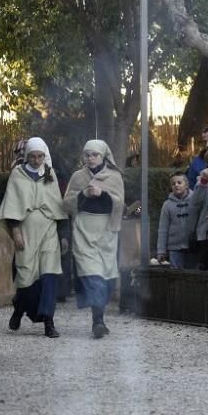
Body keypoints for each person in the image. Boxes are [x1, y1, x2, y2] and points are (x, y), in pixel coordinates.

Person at [0, 138, 68, 338]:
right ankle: (19, 308)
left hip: (48, 231)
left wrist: (63, 235)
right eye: (33, 156)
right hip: (26, 231)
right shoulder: (17, 174)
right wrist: (16, 232)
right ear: (27, 156)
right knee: (26, 278)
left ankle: (49, 322)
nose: (37, 160)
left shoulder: (50, 174)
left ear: (45, 155)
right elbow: (11, 204)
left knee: (49, 274)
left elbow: (58, 205)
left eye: (40, 156)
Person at [63, 140, 125, 338]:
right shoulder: (78, 177)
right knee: (93, 274)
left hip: (107, 230)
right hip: (83, 228)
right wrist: (83, 194)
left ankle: (100, 315)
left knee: (106, 277)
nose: (90, 158)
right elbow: (66, 204)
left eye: (94, 155)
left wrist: (103, 194)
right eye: (87, 155)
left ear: (103, 156)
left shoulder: (114, 176)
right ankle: (97, 321)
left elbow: (121, 204)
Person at [156, 173, 197, 268]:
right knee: (176, 277)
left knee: (194, 276)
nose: (176, 185)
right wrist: (161, 251)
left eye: (179, 182)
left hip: (193, 246)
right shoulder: (167, 205)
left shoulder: (195, 200)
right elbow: (163, 229)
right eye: (173, 184)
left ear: (186, 185)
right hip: (175, 248)